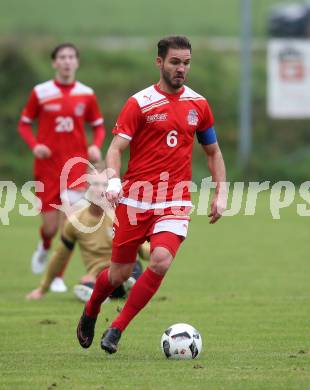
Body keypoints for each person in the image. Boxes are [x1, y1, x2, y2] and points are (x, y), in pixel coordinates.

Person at [76, 36, 227, 354]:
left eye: (186, 62)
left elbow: (212, 152)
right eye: (175, 62)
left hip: (174, 200)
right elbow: (116, 148)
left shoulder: (198, 104)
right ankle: (91, 310)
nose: (181, 68)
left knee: (159, 261)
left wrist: (220, 192)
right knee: (117, 274)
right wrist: (113, 179)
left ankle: (117, 329)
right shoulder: (140, 102)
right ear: (159, 63)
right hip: (134, 200)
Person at [18, 43, 105, 292]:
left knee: (72, 223)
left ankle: (57, 277)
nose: (66, 61)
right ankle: (44, 246)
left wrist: (96, 146)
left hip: (75, 168)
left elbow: (98, 126)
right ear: (54, 63)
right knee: (51, 227)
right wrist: (35, 145)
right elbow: (24, 124)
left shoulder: (86, 94)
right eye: (62, 57)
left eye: (71, 57)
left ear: (77, 62)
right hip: (47, 168)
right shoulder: (41, 92)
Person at [25, 168, 149, 302]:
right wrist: (42, 289)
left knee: (133, 267)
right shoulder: (75, 222)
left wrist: (140, 243)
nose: (100, 190)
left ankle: (119, 286)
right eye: (95, 184)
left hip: (124, 268)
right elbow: (60, 257)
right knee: (88, 282)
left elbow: (146, 253)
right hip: (98, 276)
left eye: (105, 185)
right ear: (86, 188)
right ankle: (102, 290)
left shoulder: (122, 215)